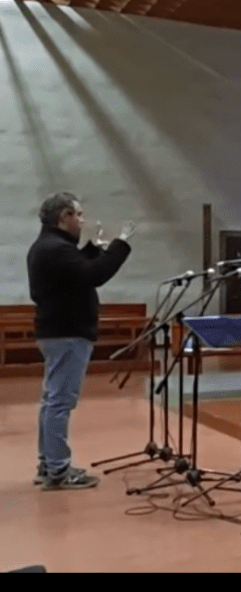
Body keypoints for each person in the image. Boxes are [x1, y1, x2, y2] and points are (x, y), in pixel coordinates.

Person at [27, 192, 134, 490]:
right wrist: (120, 244)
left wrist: (92, 249)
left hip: (57, 332)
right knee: (60, 402)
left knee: (52, 400)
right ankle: (59, 470)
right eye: (79, 214)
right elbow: (94, 274)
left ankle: (49, 463)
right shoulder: (55, 249)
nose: (82, 220)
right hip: (67, 333)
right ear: (65, 217)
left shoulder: (48, 246)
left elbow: (74, 271)